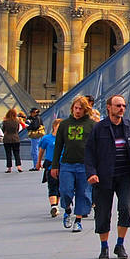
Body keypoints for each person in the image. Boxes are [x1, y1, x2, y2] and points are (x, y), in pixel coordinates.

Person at [84, 95, 130, 259]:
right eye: (118, 105)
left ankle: (120, 244)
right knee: (102, 213)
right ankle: (104, 247)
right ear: (108, 107)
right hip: (104, 177)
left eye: (124, 105)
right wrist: (91, 173)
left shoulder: (129, 126)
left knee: (126, 207)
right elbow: (89, 153)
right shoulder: (99, 128)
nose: (122, 108)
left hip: (125, 176)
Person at [51, 96, 94, 233]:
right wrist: (54, 165)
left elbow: (97, 147)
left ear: (85, 110)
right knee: (65, 191)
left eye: (80, 109)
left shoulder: (92, 125)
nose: (77, 111)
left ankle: (78, 220)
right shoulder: (64, 124)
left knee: (83, 193)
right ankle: (68, 209)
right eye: (76, 108)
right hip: (67, 164)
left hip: (84, 165)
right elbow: (58, 146)